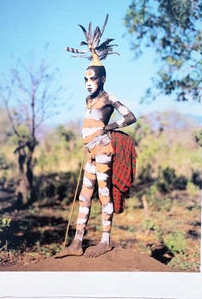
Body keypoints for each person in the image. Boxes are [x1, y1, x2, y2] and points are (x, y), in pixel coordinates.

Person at [57, 15, 136, 258]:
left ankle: (105, 241)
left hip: (103, 150)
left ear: (102, 78)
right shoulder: (89, 99)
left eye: (92, 78)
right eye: (85, 79)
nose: (88, 83)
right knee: (84, 195)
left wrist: (111, 127)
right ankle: (77, 243)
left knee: (103, 193)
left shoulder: (108, 96)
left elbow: (131, 116)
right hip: (91, 151)